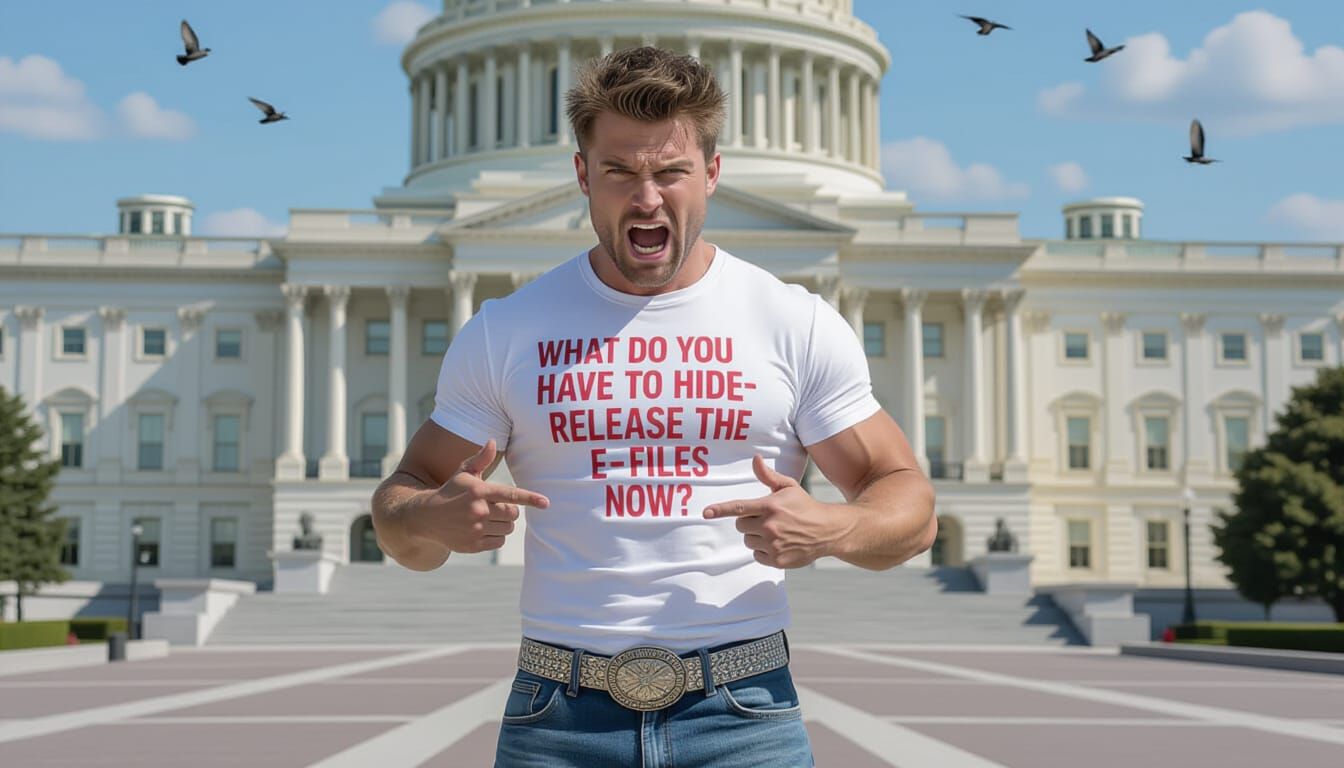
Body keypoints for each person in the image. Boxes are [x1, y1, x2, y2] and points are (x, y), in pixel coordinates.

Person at [370, 46, 936, 768]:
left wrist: (834, 527)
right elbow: (400, 513)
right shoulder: (506, 330)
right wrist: (430, 518)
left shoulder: (792, 322)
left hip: (743, 710)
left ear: (713, 173)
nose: (647, 199)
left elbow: (911, 509)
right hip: (559, 717)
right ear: (582, 174)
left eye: (670, 171)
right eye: (620, 173)